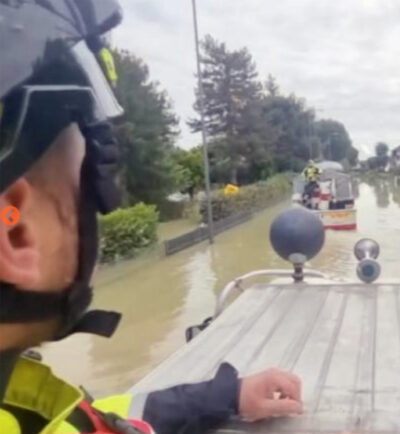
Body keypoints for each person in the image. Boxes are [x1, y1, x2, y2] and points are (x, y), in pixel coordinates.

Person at [0, 1, 302, 433]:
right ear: (16, 231)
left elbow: (99, 420)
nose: (100, 212)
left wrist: (224, 395)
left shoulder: (22, 409)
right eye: (91, 182)